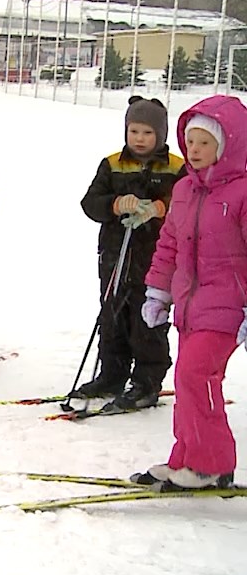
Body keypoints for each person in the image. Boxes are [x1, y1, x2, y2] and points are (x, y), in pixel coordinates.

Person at [134, 96, 246, 490]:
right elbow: (169, 246)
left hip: (228, 308)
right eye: (190, 141)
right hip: (190, 308)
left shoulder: (243, 193)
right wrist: (157, 293)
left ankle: (211, 464)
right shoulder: (184, 190)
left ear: (227, 145)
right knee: (188, 383)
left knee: (196, 377)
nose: (194, 150)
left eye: (204, 142)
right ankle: (186, 457)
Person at [76, 96, 184, 409]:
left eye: (147, 133)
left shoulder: (176, 168)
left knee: (147, 318)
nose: (139, 139)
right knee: (112, 315)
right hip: (114, 254)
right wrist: (114, 204)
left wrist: (161, 208)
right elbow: (90, 203)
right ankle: (111, 374)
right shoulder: (112, 164)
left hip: (155, 257)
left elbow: (186, 205)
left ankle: (146, 381)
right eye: (134, 131)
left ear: (160, 134)